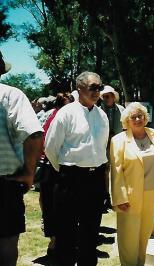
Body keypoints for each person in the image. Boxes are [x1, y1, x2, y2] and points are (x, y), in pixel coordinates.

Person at [45, 71, 109, 266]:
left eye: (100, 87)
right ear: (79, 88)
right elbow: (50, 148)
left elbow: (101, 149)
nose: (97, 92)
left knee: (90, 235)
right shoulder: (66, 114)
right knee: (66, 235)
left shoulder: (102, 116)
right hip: (70, 181)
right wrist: (67, 171)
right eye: (93, 88)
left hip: (95, 181)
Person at [110, 102, 154, 266]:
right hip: (129, 198)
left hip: (152, 194)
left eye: (141, 115)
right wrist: (120, 198)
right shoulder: (119, 140)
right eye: (134, 117)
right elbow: (116, 170)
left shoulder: (153, 134)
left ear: (145, 117)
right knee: (128, 239)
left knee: (143, 237)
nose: (138, 119)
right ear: (127, 120)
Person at [0, 52, 43, 266]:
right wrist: (29, 172)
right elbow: (34, 133)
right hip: (5, 185)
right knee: (6, 245)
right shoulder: (11, 95)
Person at [39, 92, 72, 257]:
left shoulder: (51, 115)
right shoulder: (60, 117)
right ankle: (56, 241)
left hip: (50, 166)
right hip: (55, 167)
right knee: (55, 206)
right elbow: (49, 146)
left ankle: (55, 240)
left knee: (50, 205)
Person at [100, 85, 125, 210]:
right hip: (103, 147)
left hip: (119, 147)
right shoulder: (98, 111)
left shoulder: (122, 110)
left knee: (119, 171)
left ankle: (119, 197)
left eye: (108, 96)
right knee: (104, 173)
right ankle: (106, 197)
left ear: (114, 97)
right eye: (103, 96)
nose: (106, 98)